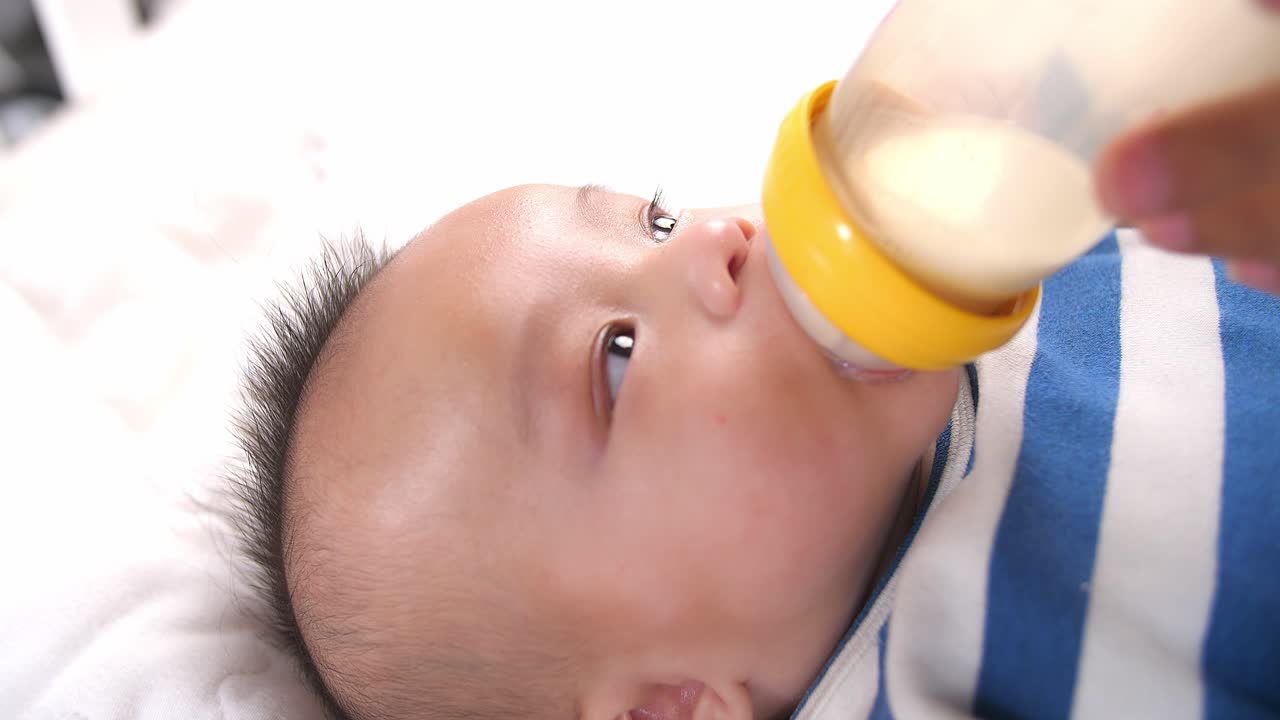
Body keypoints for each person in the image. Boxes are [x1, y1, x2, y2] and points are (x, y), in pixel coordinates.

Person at [226, 26, 1280, 720]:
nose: (713, 239)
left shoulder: (1024, 248)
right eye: (617, 357)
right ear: (669, 707)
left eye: (653, 217)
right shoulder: (916, 685)